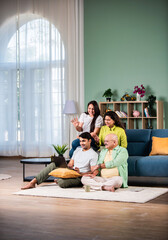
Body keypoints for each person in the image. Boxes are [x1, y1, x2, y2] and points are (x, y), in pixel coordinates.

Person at [21, 132, 98, 190]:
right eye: (80, 141)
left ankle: (61, 180)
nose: (81, 143)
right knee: (53, 164)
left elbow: (93, 172)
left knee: (62, 183)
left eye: (83, 141)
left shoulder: (93, 154)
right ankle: (33, 182)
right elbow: (71, 164)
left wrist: (80, 172)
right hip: (72, 172)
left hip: (79, 177)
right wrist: (66, 166)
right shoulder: (77, 150)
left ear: (90, 141)